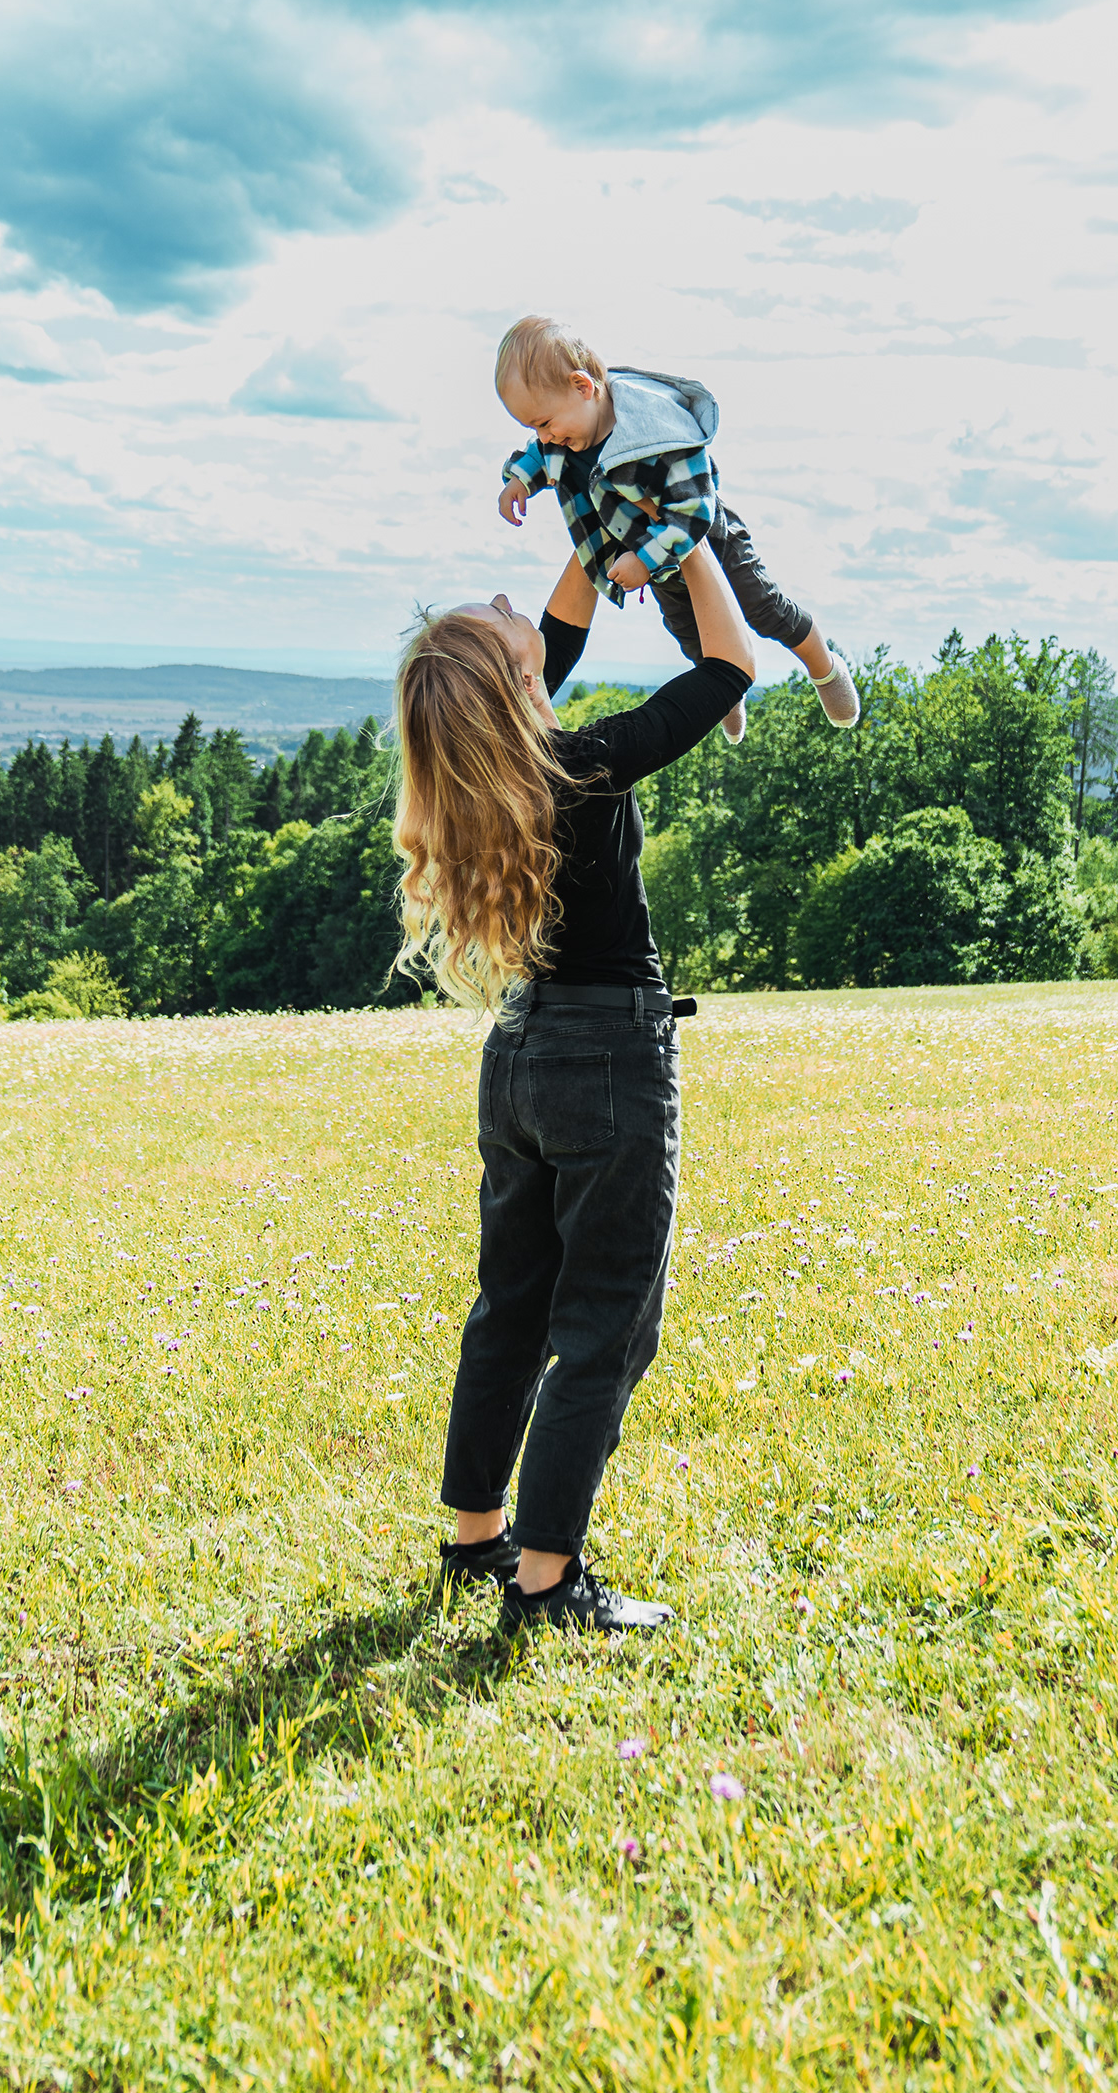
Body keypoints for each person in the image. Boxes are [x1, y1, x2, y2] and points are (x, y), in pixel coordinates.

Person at [391, 539, 761, 1634]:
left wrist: (602, 532)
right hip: (607, 1063)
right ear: (517, 681)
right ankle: (548, 1580)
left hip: (517, 1058)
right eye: (502, 615)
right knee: (606, 1324)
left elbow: (558, 623)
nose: (519, 604)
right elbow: (729, 667)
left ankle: (478, 1536)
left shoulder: (485, 774)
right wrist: (688, 536)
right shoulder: (579, 766)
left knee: (511, 1309)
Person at [490, 315, 858, 743]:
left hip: (709, 540)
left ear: (582, 387)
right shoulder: (568, 430)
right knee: (688, 630)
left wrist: (644, 560)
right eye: (533, 428)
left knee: (764, 609)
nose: (543, 437)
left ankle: (824, 667)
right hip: (651, 556)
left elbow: (696, 510)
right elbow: (539, 455)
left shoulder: (657, 432)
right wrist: (519, 480)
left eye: (544, 423)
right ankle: (723, 692)